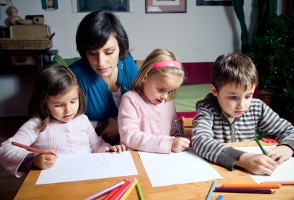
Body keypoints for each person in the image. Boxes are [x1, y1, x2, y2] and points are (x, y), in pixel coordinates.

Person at [0, 65, 126, 178]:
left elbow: (96, 145)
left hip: (86, 178)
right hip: (53, 182)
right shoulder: (37, 125)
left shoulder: (82, 120)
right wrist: (34, 159)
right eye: (59, 105)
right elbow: (6, 149)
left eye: (73, 101)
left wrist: (109, 150)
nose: (68, 110)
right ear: (44, 102)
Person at [191, 52, 294, 175]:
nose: (242, 105)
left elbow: (293, 132)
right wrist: (242, 159)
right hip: (218, 173)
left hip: (250, 176)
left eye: (248, 96)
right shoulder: (207, 108)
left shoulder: (257, 107)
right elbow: (200, 140)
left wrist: (288, 147)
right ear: (215, 91)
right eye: (233, 97)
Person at [69, 11, 138, 145]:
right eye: (92, 53)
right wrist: (102, 124)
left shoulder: (127, 62)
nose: (101, 62)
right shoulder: (75, 75)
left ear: (120, 48)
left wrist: (120, 123)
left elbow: (144, 101)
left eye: (109, 52)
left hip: (130, 145)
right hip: (91, 149)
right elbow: (61, 122)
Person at [118, 49, 190, 153]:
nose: (165, 96)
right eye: (161, 89)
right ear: (145, 77)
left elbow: (175, 133)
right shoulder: (130, 99)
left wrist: (182, 142)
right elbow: (129, 136)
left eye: (170, 92)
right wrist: (169, 143)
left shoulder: (169, 104)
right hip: (135, 160)